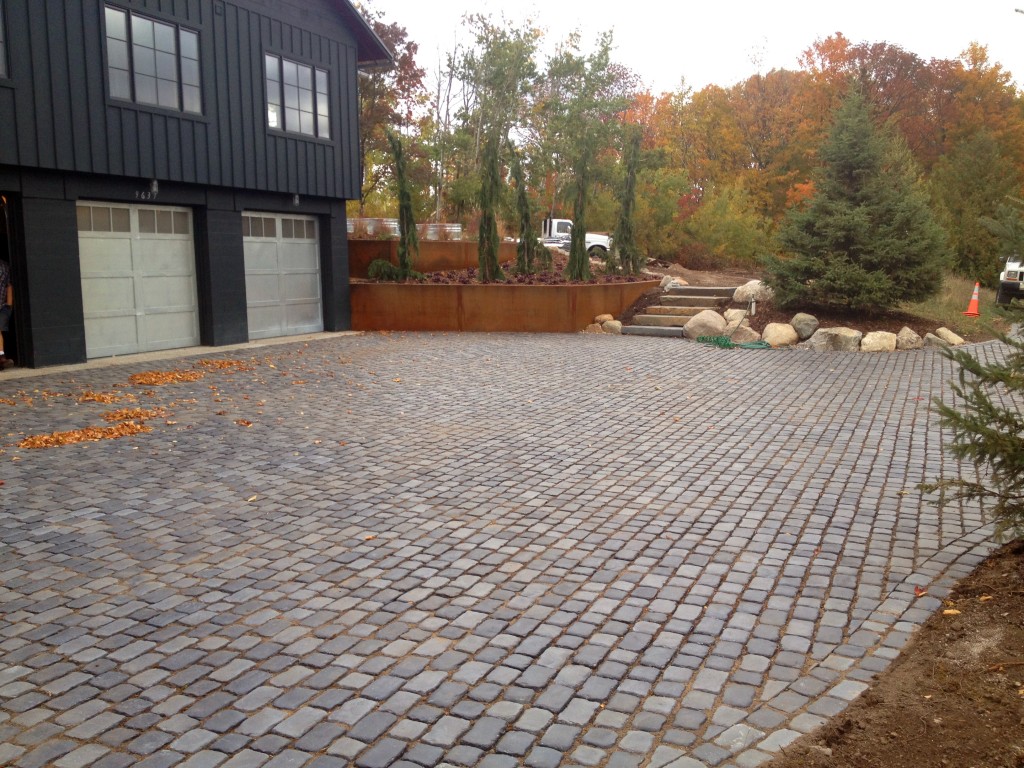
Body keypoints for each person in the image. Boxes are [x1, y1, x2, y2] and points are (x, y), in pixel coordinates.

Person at [0, 259, 12, 369]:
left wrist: (9, 304)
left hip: (2, 305)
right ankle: (2, 357)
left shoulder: (4, 266)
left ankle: (2, 356)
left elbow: (9, 285)